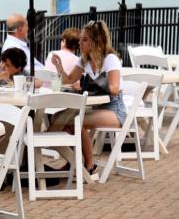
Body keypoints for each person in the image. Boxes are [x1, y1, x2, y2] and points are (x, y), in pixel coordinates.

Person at [50, 19, 125, 182]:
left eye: (84, 40)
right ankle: (74, 161)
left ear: (95, 41)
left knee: (76, 121)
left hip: (114, 109)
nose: (80, 43)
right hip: (96, 107)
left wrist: (89, 84)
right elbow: (68, 79)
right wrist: (60, 68)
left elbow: (114, 88)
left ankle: (89, 165)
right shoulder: (84, 60)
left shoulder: (110, 59)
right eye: (80, 39)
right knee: (60, 119)